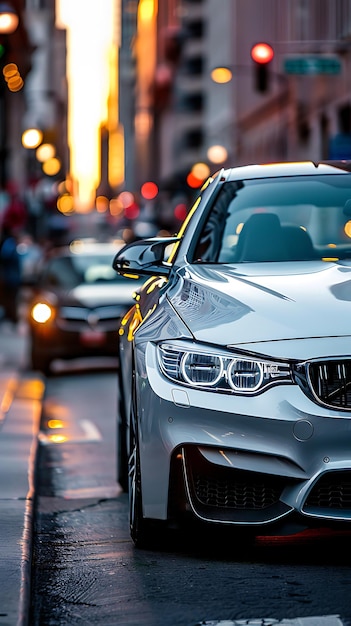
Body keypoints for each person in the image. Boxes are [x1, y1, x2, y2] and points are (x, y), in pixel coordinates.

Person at [0, 224, 22, 325]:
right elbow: (5, 255)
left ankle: (12, 318)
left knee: (12, 298)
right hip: (10, 278)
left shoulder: (12, 243)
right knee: (9, 299)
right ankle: (11, 318)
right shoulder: (9, 243)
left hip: (13, 278)